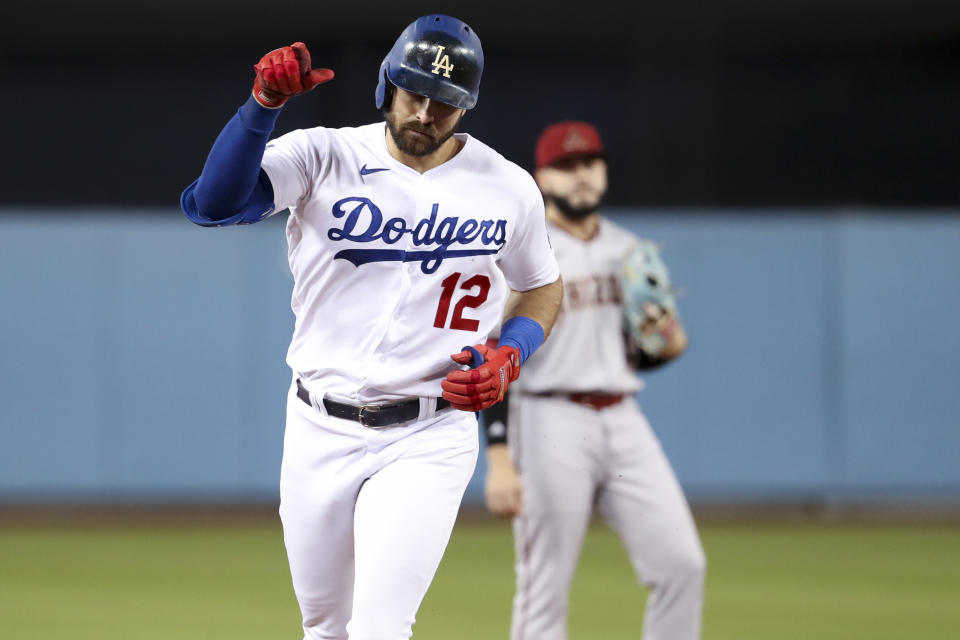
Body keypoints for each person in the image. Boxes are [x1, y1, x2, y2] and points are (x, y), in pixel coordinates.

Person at [179, 15, 563, 640]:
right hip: (316, 425)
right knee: (324, 625)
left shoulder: (508, 186)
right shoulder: (323, 153)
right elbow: (214, 203)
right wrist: (262, 105)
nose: (425, 114)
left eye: (445, 104)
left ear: (466, 107)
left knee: (381, 629)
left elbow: (543, 284)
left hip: (430, 429)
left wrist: (512, 351)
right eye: (415, 94)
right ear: (387, 83)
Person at [482, 121, 705, 640]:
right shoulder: (523, 254)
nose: (581, 174)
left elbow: (640, 348)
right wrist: (498, 457)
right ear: (542, 178)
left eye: (590, 163)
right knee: (544, 587)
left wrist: (665, 345)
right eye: (566, 166)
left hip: (623, 414)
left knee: (682, 565)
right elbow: (492, 357)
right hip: (546, 418)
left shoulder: (630, 251)